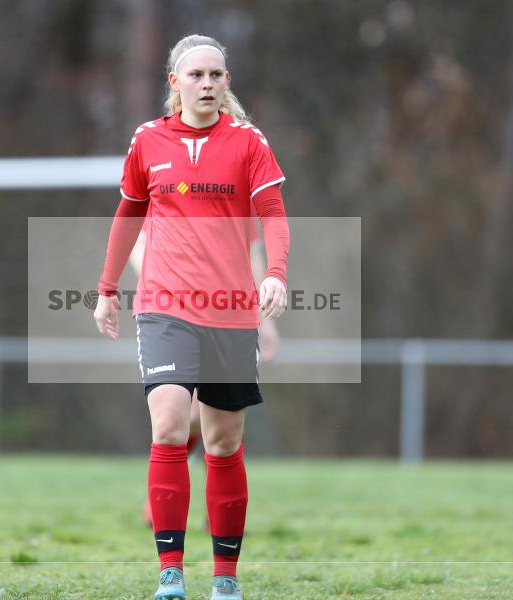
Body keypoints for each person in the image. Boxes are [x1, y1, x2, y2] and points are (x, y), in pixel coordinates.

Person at [94, 34, 289, 600]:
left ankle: (225, 581)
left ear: (227, 83)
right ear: (173, 83)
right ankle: (170, 574)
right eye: (196, 74)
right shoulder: (148, 140)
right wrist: (108, 288)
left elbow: (272, 216)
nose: (207, 83)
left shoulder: (248, 143)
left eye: (217, 75)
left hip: (229, 311)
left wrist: (274, 273)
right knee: (170, 424)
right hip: (163, 308)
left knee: (224, 443)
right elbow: (129, 212)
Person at [128, 231, 281, 530]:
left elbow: (251, 252)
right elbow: (138, 243)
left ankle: (219, 513)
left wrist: (265, 319)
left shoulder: (239, 193)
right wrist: (164, 292)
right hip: (175, 313)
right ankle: (168, 505)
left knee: (225, 413)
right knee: (187, 413)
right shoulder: (168, 188)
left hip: (228, 314)